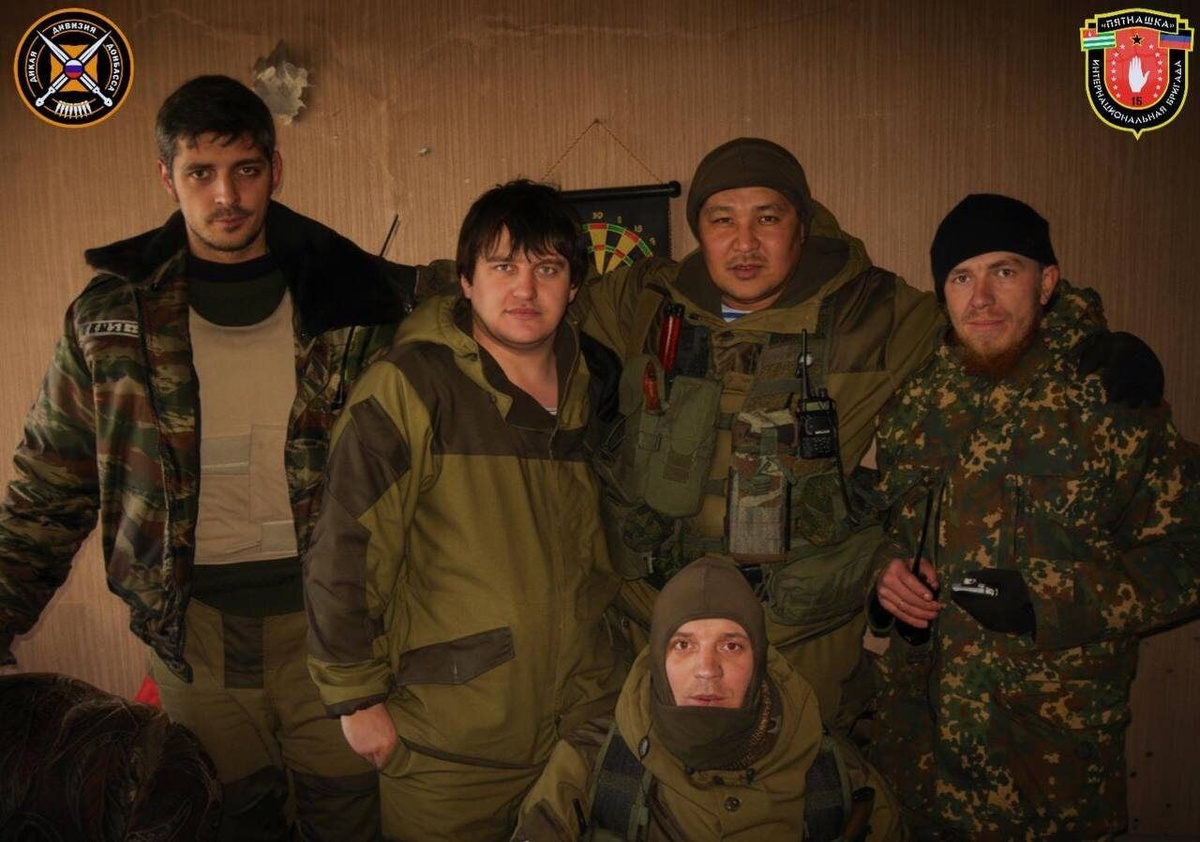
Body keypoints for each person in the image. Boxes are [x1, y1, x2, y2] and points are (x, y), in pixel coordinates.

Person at [574, 137, 1163, 734]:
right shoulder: (645, 300)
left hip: (796, 640)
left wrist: (1078, 334)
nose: (744, 243)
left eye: (768, 219)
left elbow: (987, 313)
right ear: (698, 229)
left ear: (802, 224)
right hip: (654, 631)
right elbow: (544, 306)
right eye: (722, 220)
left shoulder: (874, 313)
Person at [0, 74, 420, 840]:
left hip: (335, 636)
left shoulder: (362, 303)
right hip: (193, 643)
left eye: (245, 169)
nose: (226, 195)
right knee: (216, 820)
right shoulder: (111, 316)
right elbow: (49, 489)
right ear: (167, 177)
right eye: (201, 172)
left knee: (350, 822)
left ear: (275, 169)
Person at [867, 193, 1200, 840]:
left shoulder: (1107, 394)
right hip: (918, 763)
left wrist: (1051, 600)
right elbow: (891, 525)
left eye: (1004, 271)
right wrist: (886, 573)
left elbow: (1188, 552)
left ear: (1046, 283)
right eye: (961, 277)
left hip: (1045, 775)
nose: (981, 298)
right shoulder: (916, 401)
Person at [303, 179, 627, 841]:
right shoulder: (410, 386)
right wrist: (355, 700)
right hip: (448, 747)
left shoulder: (596, 389)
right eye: (503, 267)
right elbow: (344, 545)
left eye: (547, 269)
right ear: (467, 281)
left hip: (579, 735)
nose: (525, 289)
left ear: (573, 286)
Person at [512, 555, 903, 841]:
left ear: (760, 661)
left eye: (731, 646)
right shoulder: (588, 765)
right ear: (657, 658)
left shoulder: (837, 776)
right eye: (683, 645)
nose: (707, 669)